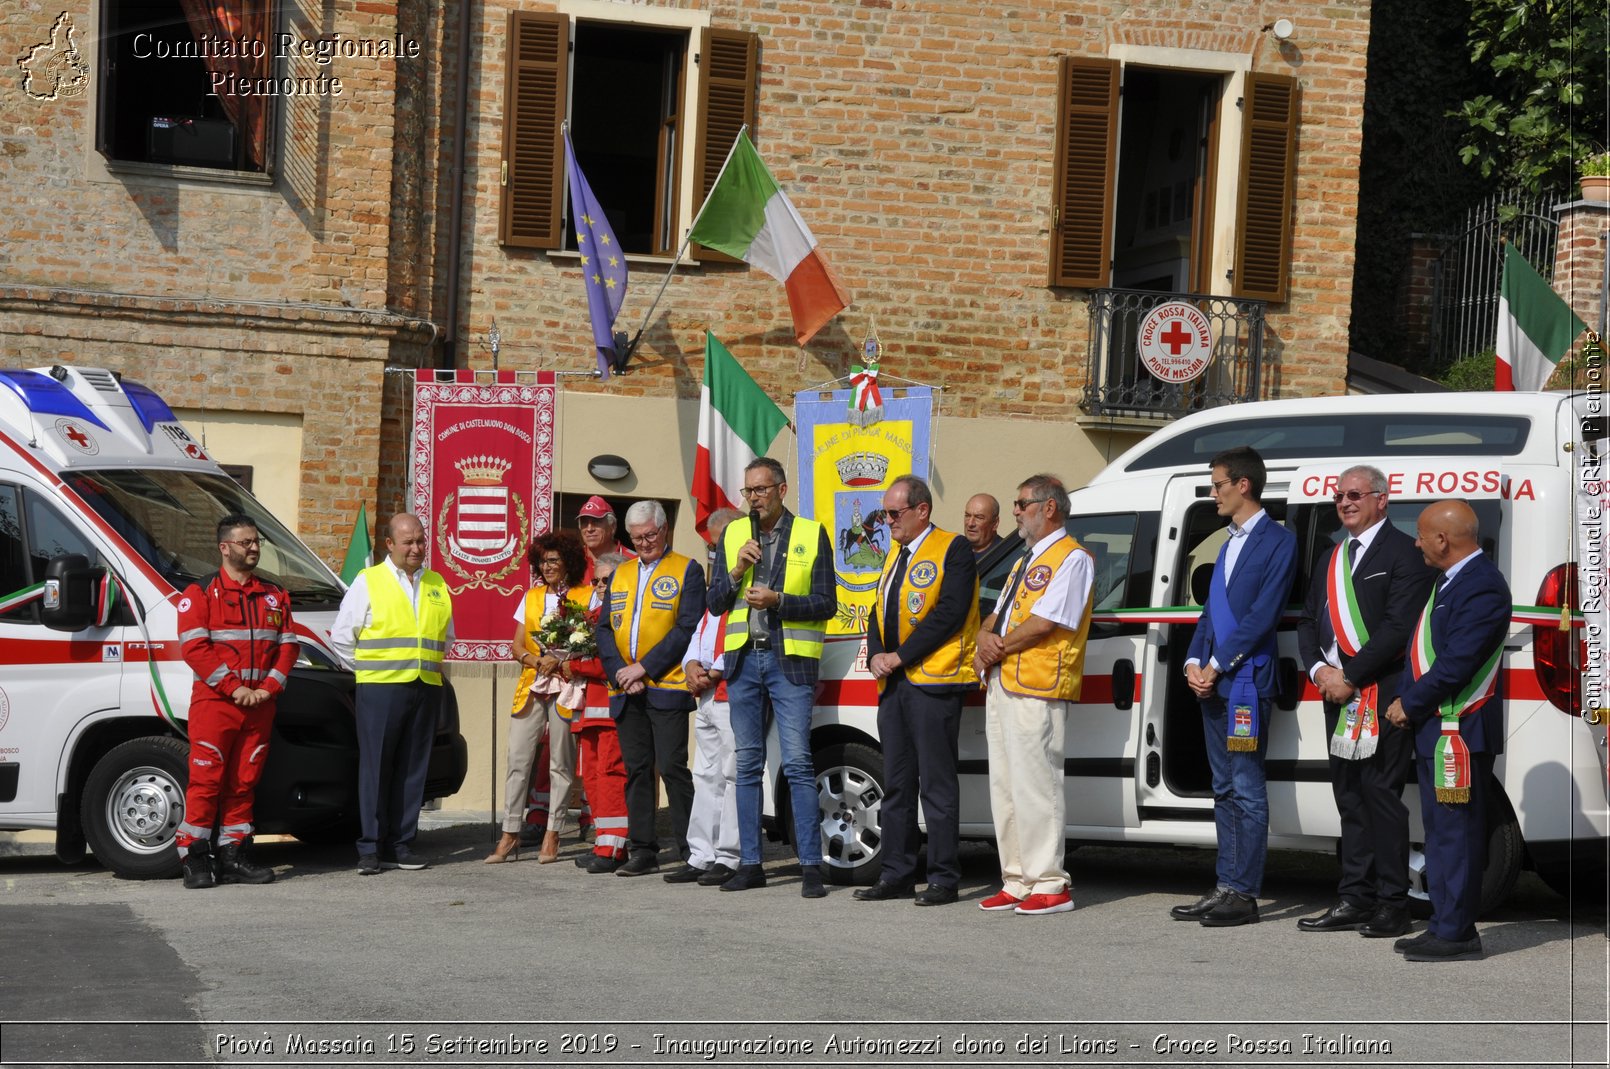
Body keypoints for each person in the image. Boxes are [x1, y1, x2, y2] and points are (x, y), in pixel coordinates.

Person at [1294, 465, 1436, 938]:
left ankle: (1393, 903)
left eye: (1355, 494)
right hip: (1336, 695)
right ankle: (1355, 896)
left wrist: (1349, 675)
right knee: (1349, 798)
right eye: (1339, 496)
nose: (1345, 502)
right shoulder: (1332, 556)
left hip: (1381, 693)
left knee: (1380, 797)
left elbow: (1399, 627)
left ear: (1381, 499)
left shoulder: (1403, 554)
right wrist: (1320, 671)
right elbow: (1308, 620)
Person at [1171, 446, 1297, 927]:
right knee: (1222, 787)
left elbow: (1261, 617)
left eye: (1218, 485)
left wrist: (1218, 665)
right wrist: (1193, 662)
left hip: (1245, 681)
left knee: (1246, 788)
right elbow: (1211, 612)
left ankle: (1244, 893)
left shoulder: (1276, 542)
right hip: (1216, 681)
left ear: (1243, 485)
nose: (1213, 493)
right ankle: (1224, 884)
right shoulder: (1227, 543)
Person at [1384, 500, 1511, 963]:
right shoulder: (1450, 580)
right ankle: (1444, 921)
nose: (1415, 542)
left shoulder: (1481, 586)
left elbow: (1456, 662)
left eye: (1420, 534)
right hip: (1437, 728)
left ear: (1443, 539)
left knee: (1456, 833)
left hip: (1458, 730)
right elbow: (1422, 651)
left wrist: (1409, 704)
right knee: (1439, 832)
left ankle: (1457, 932)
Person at [705, 457, 837, 898]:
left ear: (781, 490)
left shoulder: (810, 533)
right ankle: (750, 863)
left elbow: (826, 604)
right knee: (746, 766)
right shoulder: (733, 535)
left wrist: (779, 599)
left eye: (761, 490)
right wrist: (739, 570)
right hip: (744, 661)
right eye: (748, 491)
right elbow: (716, 602)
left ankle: (811, 865)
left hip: (791, 664)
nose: (753, 499)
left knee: (798, 764)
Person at [973, 475, 1093, 916]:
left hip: (1038, 685)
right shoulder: (1028, 559)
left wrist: (994, 646)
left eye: (1022, 503)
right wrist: (985, 639)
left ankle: (1050, 881)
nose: (1016, 511)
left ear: (1050, 508)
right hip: (1005, 682)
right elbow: (997, 615)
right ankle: (1018, 878)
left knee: (1038, 786)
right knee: (1006, 787)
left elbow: (1046, 622)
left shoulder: (1072, 558)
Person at [856, 476, 978, 906]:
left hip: (933, 680)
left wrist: (900, 655)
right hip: (893, 683)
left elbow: (949, 612)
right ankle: (897, 873)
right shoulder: (893, 554)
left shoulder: (952, 548)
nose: (887, 522)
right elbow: (877, 609)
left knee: (937, 785)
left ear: (921, 510)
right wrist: (875, 652)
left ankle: (944, 877)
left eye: (894, 513)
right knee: (898, 783)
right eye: (884, 514)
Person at [174, 514, 299, 888]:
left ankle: (234, 854)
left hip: (260, 705)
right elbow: (195, 649)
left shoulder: (274, 594)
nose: (254, 548)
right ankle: (194, 857)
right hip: (216, 705)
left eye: (257, 542)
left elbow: (289, 647)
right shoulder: (199, 593)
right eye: (246, 542)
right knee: (206, 781)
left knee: (244, 782)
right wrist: (233, 688)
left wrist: (268, 689)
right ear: (224, 547)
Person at [332, 512, 454, 875]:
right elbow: (342, 638)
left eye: (420, 541)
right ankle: (370, 847)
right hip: (381, 690)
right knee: (377, 769)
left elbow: (445, 637)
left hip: (425, 688)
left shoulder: (436, 583)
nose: (416, 548)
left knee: (413, 770)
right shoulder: (369, 581)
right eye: (408, 542)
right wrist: (369, 673)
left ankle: (401, 844)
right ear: (390, 544)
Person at [596, 500, 705, 876]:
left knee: (673, 768)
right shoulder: (621, 573)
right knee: (637, 770)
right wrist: (621, 673)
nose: (644, 542)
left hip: (668, 685)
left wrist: (644, 668)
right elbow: (604, 629)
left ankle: (693, 850)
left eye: (651, 535)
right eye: (637, 537)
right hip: (626, 688)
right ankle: (643, 849)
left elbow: (686, 628)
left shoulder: (687, 569)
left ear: (665, 530)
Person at [486, 531, 589, 865]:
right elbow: (516, 646)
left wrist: (562, 662)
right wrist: (537, 660)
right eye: (543, 561)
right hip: (533, 682)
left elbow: (591, 643)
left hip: (566, 684)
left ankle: (553, 832)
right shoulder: (530, 597)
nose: (547, 567)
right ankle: (510, 832)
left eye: (554, 560)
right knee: (518, 758)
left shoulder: (585, 596)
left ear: (569, 562)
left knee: (561, 761)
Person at [663, 508, 744, 887]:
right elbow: (701, 627)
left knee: (732, 774)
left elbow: (751, 632)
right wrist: (692, 664)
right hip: (707, 693)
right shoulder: (719, 583)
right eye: (712, 546)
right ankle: (701, 854)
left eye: (720, 543)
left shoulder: (750, 577)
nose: (715, 551)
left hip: (733, 689)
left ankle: (729, 855)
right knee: (706, 774)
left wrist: (715, 670)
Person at [563, 552, 632, 872]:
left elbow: (609, 663)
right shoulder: (587, 616)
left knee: (611, 775)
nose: (601, 586)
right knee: (590, 777)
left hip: (612, 707)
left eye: (607, 580)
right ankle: (603, 840)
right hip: (587, 708)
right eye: (597, 581)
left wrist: (574, 664)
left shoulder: (625, 615)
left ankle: (615, 845)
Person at [963, 492, 1022, 613]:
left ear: (995, 523)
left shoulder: (1007, 558)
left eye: (979, 517)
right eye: (967, 516)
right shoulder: (954, 553)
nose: (970, 523)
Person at [577, 495, 633, 582]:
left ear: (612, 526)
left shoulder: (633, 560)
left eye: (596, 522)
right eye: (584, 523)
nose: (589, 529)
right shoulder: (573, 559)